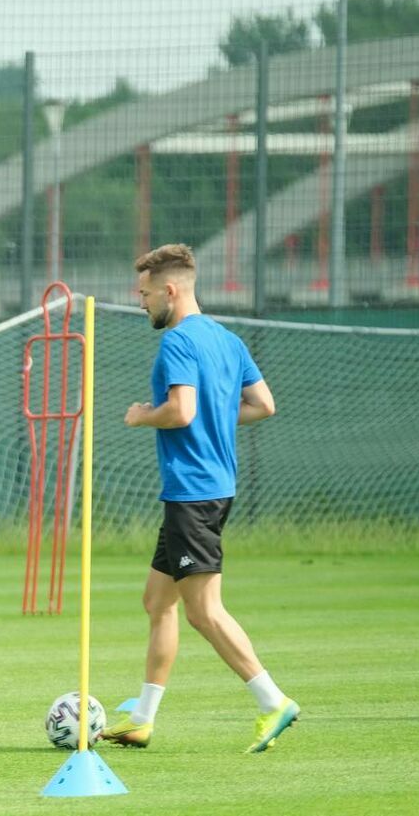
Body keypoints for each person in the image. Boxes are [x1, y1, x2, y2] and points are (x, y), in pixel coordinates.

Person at [100, 243, 299, 754]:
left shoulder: (177, 344)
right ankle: (141, 719)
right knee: (156, 601)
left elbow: (181, 410)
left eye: (144, 294)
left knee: (203, 612)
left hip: (194, 493)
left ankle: (272, 700)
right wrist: (213, 416)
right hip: (210, 488)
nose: (140, 302)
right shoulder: (227, 339)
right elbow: (264, 405)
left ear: (169, 290)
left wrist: (142, 414)